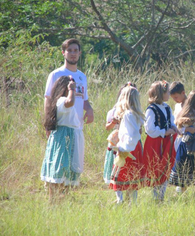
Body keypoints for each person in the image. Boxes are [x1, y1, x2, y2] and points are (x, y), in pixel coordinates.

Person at [44, 38, 94, 186]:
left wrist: (89, 110)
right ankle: (53, 193)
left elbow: (83, 99)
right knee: (59, 162)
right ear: (63, 53)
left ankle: (67, 193)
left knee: (73, 164)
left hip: (77, 127)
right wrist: (48, 122)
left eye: (75, 51)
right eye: (69, 50)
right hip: (60, 126)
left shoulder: (82, 76)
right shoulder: (56, 74)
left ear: (79, 53)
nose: (72, 54)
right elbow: (48, 99)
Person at [41, 76, 80, 201]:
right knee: (62, 166)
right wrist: (72, 90)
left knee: (64, 167)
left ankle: (61, 198)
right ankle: (56, 199)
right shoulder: (62, 100)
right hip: (64, 137)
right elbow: (70, 102)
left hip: (64, 136)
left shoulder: (59, 101)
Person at [108, 86, 145, 204]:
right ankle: (131, 202)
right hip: (135, 146)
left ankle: (120, 200)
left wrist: (123, 148)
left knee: (120, 173)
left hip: (129, 148)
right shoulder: (136, 114)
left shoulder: (129, 115)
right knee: (132, 175)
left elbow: (132, 134)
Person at [142, 80, 178, 202]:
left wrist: (173, 127)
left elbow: (171, 121)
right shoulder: (151, 109)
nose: (169, 94)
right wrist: (163, 132)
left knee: (166, 166)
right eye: (167, 92)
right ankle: (156, 196)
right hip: (156, 143)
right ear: (160, 93)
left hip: (167, 142)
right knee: (156, 168)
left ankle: (161, 195)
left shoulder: (167, 107)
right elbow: (149, 129)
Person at [169, 90, 195, 193]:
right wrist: (187, 130)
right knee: (186, 171)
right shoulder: (190, 113)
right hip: (188, 145)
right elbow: (178, 128)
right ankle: (181, 193)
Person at [103, 82, 137, 184]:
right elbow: (107, 127)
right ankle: (114, 182)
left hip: (128, 139)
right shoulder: (113, 111)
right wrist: (114, 122)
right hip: (116, 139)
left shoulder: (134, 113)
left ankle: (126, 183)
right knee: (115, 161)